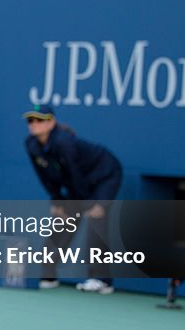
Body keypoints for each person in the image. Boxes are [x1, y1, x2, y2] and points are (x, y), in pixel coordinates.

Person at [23, 104, 122, 294]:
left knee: (96, 218)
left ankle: (102, 280)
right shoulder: (31, 145)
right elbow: (44, 176)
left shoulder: (64, 142)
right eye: (30, 120)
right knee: (62, 221)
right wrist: (57, 200)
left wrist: (90, 204)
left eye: (39, 120)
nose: (34, 124)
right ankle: (48, 275)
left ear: (51, 122)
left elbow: (76, 175)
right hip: (79, 183)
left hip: (104, 176)